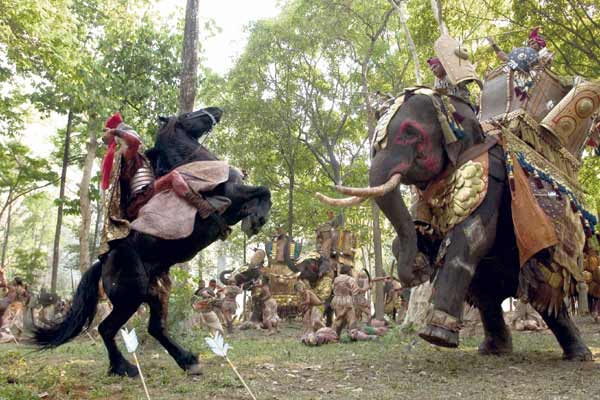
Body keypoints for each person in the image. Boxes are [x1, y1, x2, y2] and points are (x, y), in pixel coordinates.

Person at [99, 112, 219, 255]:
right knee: (174, 176)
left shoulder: (143, 158)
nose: (138, 138)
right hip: (139, 198)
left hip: (149, 192)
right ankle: (202, 206)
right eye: (131, 134)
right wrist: (115, 131)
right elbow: (134, 142)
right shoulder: (126, 154)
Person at [331, 264, 359, 337]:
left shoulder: (336, 279)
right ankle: (353, 336)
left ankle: (336, 336)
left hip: (337, 300)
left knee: (339, 318)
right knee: (351, 318)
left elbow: (333, 288)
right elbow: (355, 291)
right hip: (347, 300)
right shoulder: (350, 279)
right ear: (349, 271)